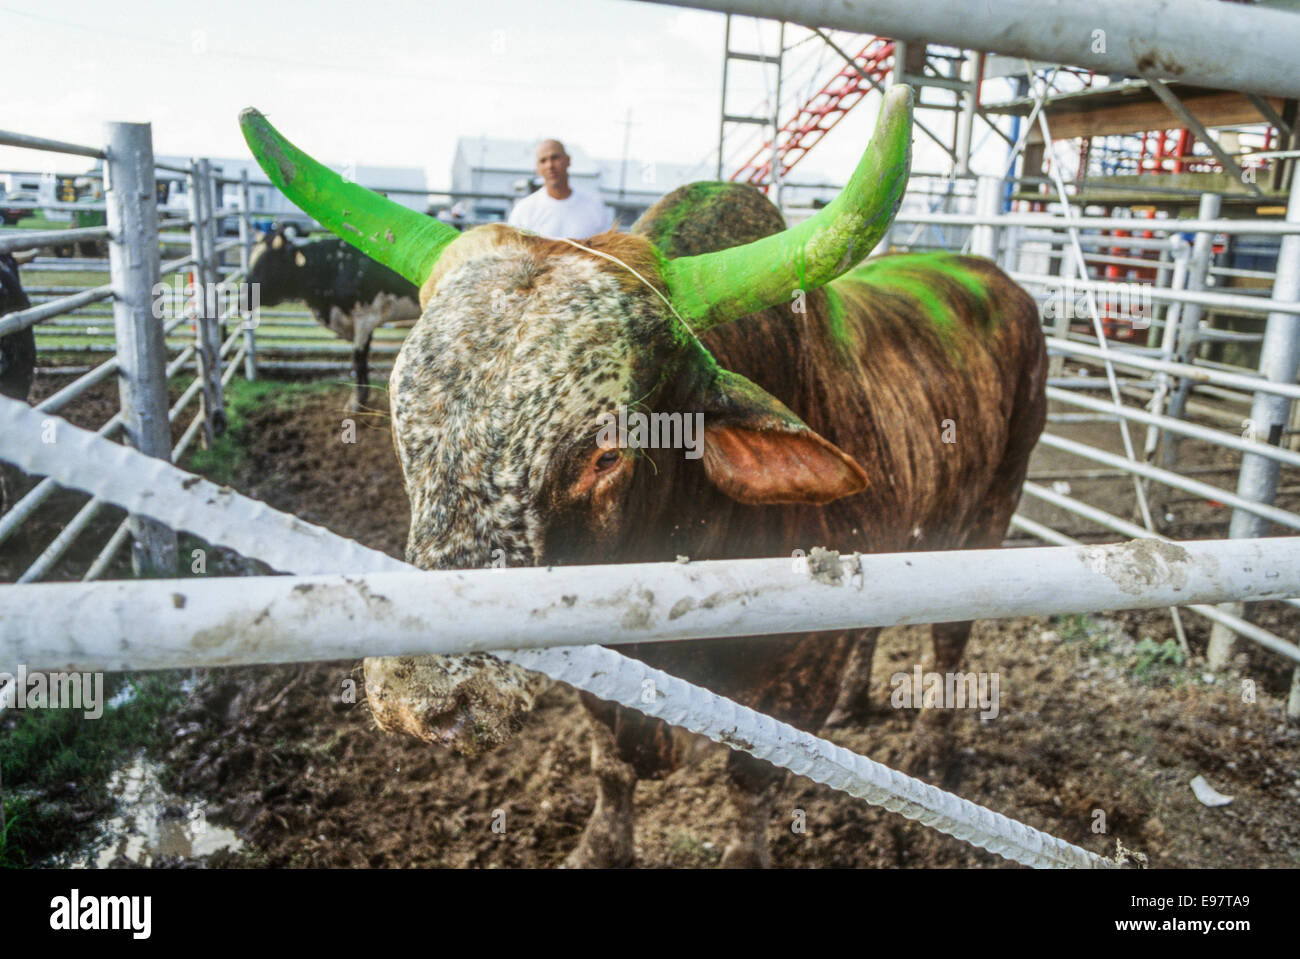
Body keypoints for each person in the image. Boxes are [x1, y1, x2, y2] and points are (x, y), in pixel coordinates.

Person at [507, 139, 614, 239]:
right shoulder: (523, 210)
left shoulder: (594, 206)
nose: (550, 165)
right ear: (538, 168)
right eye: (543, 161)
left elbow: (606, 252)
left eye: (555, 158)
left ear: (568, 160)